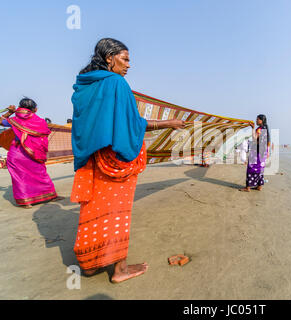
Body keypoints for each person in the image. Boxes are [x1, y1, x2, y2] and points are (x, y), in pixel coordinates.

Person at [70, 38, 185, 283]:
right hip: (115, 161)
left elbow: (85, 126)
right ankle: (119, 270)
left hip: (92, 161)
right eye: (125, 59)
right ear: (109, 58)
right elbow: (132, 124)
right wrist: (169, 123)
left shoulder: (83, 87)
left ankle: (89, 265)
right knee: (118, 212)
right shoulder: (116, 83)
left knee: (93, 211)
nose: (129, 65)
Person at [0, 99, 63, 208]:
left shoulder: (14, 120)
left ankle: (26, 202)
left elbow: (1, 121)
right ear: (35, 109)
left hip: (17, 153)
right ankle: (51, 196)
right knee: (41, 174)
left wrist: (10, 112)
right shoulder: (40, 121)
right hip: (34, 153)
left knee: (20, 178)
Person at [239, 114, 270, 192]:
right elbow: (268, 142)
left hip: (257, 151)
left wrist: (253, 128)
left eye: (257, 119)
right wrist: (268, 151)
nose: (256, 121)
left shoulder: (259, 129)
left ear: (261, 120)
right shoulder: (266, 129)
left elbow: (254, 138)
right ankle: (259, 186)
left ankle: (248, 187)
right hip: (263, 152)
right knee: (260, 169)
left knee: (251, 168)